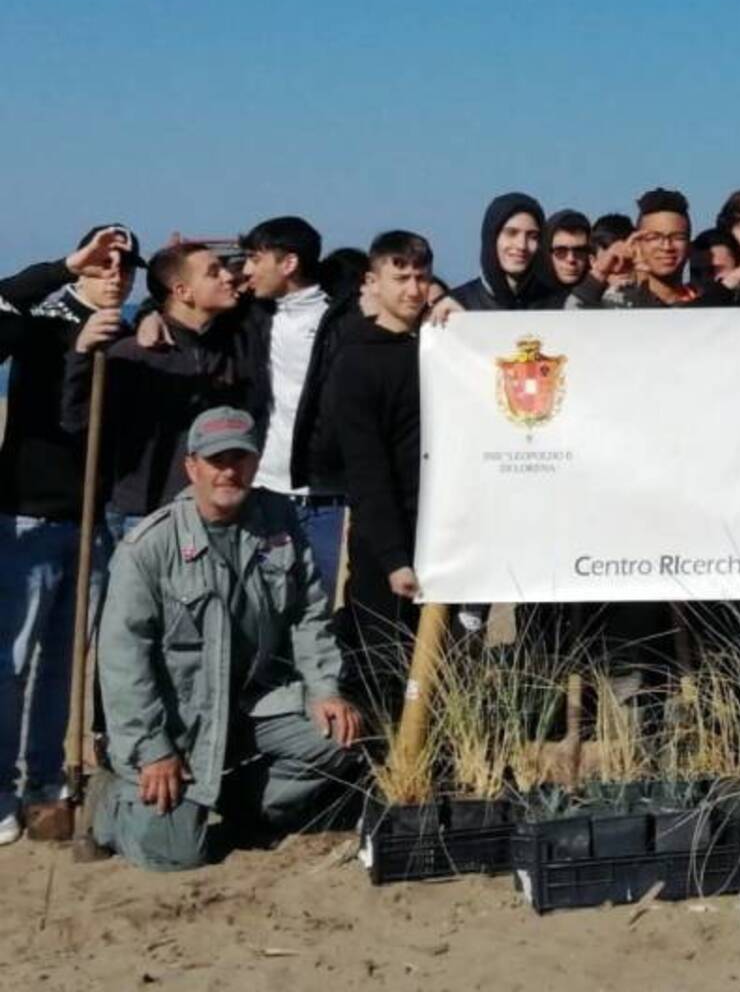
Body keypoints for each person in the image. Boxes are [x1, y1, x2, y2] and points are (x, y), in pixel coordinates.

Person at [92, 407, 361, 871]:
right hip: (180, 724)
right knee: (176, 855)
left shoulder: (280, 523)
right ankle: (112, 801)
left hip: (255, 706)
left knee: (338, 738)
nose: (229, 471)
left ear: (256, 464)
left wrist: (324, 689)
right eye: (217, 460)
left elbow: (309, 614)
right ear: (192, 467)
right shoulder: (149, 548)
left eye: (240, 458)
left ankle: (238, 800)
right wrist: (152, 748)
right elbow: (122, 662)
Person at [0, 226, 138, 845]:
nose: (114, 276)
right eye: (102, 264)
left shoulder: (131, 335)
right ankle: (2, 787)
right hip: (27, 513)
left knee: (63, 664)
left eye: (124, 268)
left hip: (94, 522)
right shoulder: (38, 327)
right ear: (81, 269)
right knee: (11, 663)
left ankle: (48, 782)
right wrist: (59, 270)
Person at [64, 243, 251, 537]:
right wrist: (81, 355)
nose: (227, 277)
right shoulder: (136, 354)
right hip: (144, 514)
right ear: (183, 292)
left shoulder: (229, 346)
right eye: (213, 273)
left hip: (210, 511)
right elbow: (81, 422)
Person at [326, 232, 434, 711]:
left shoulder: (436, 347)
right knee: (381, 670)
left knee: (435, 671)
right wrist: (394, 558)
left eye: (421, 276)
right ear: (374, 282)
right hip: (384, 544)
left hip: (438, 532)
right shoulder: (355, 359)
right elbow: (366, 469)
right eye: (401, 277)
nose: (413, 289)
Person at [238, 217, 356, 599]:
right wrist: (147, 315)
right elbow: (185, 303)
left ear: (288, 264)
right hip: (261, 489)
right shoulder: (252, 314)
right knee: (257, 611)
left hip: (325, 495)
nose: (247, 269)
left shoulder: (344, 319)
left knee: (315, 611)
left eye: (256, 258)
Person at [569, 190, 719, 309]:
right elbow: (570, 326)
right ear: (637, 244)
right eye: (654, 237)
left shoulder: (709, 306)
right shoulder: (615, 304)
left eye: (677, 237)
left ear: (689, 247)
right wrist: (600, 272)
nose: (666, 246)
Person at [447, 192, 557, 312]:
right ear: (491, 238)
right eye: (511, 233)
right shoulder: (457, 303)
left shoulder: (558, 303)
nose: (522, 245)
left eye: (532, 236)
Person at [545, 209, 593, 288]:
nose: (571, 259)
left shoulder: (603, 294)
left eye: (579, 251)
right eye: (561, 251)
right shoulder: (527, 295)